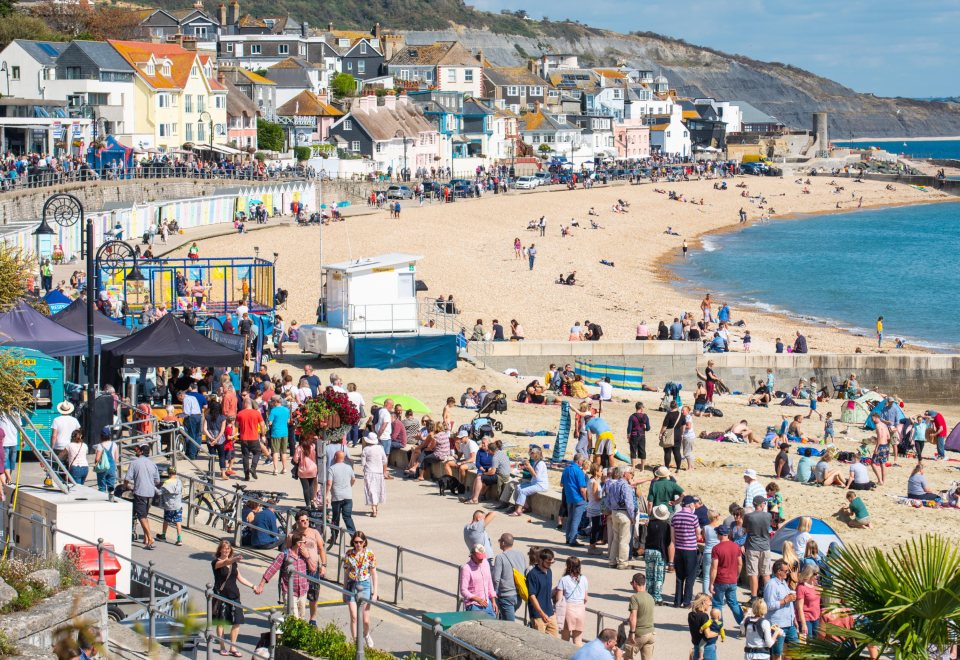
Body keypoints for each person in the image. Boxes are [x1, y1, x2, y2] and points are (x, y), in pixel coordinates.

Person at [255, 532, 313, 619]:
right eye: (304, 542)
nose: (305, 545)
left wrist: (308, 557)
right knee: (294, 619)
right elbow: (272, 569)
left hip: (303, 592)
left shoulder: (304, 555)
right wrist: (261, 584)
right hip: (290, 592)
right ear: (298, 544)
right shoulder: (284, 555)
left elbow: (313, 569)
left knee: (302, 619)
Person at [212, 539, 254, 657]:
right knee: (221, 622)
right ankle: (222, 646)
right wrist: (234, 559)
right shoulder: (216, 562)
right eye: (224, 548)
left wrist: (253, 586)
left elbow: (240, 578)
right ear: (220, 549)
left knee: (237, 621)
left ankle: (233, 647)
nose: (226, 550)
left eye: (228, 548)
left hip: (234, 595)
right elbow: (224, 563)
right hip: (221, 595)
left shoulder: (234, 563)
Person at [342, 531, 378, 647]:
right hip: (352, 584)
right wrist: (344, 590)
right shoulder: (349, 554)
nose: (358, 544)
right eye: (356, 542)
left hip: (365, 585)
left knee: (365, 619)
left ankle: (366, 634)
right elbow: (346, 573)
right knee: (354, 616)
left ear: (364, 542)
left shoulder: (369, 554)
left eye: (360, 542)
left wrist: (375, 593)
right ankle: (356, 643)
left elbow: (374, 574)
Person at [125, 444, 160, 549]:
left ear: (140, 452)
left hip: (140, 492)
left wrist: (125, 486)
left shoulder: (134, 462)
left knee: (141, 516)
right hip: (150, 493)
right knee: (144, 516)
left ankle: (150, 538)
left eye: (138, 450)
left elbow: (127, 478)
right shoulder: (153, 464)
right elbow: (157, 481)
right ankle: (146, 538)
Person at [764, 559, 799, 660]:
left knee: (795, 649)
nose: (788, 573)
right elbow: (768, 605)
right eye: (786, 571)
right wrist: (784, 600)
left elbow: (790, 604)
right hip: (778, 625)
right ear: (779, 571)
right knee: (777, 653)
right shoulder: (771, 585)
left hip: (789, 623)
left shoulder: (784, 583)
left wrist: (794, 618)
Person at [709, 525, 744, 625]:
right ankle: (743, 625)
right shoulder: (736, 546)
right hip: (732, 579)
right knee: (734, 603)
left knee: (717, 603)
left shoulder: (716, 548)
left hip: (720, 580)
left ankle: (717, 626)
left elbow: (714, 568)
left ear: (720, 535)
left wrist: (711, 583)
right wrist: (736, 575)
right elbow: (740, 563)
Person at [672, 495, 702, 608]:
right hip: (690, 550)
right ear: (690, 505)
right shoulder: (693, 517)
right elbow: (698, 534)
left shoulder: (675, 516)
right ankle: (687, 601)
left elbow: (672, 537)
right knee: (690, 576)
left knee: (679, 577)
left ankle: (677, 601)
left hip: (679, 549)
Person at [603, 466, 636, 570]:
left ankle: (612, 561)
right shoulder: (625, 486)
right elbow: (629, 503)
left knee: (615, 539)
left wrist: (612, 509)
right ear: (625, 474)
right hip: (624, 513)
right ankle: (622, 563)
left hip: (614, 513)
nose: (632, 475)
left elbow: (607, 500)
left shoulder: (613, 484)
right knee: (624, 540)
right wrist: (632, 516)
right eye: (630, 473)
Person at [502, 446, 549, 516]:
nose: (530, 454)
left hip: (540, 485)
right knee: (518, 487)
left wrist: (529, 467)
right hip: (534, 483)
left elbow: (536, 476)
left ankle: (518, 510)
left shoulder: (541, 463)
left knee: (523, 491)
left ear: (536, 454)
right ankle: (526, 507)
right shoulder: (536, 462)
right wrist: (527, 467)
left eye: (532, 453)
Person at [744, 496, 772, 602]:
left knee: (753, 573)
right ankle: (768, 596)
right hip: (765, 547)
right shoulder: (768, 515)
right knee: (766, 573)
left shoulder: (748, 516)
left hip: (752, 546)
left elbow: (745, 531)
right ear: (761, 504)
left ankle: (754, 597)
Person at [525, 548, 558, 636]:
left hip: (550, 613)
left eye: (551, 562)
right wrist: (542, 614)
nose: (550, 565)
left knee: (555, 642)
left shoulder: (549, 571)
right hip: (538, 615)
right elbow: (532, 596)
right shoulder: (532, 574)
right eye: (548, 562)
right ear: (540, 560)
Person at [643, 504, 672, 604]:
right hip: (659, 551)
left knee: (649, 574)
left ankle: (649, 594)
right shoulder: (666, 526)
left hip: (648, 550)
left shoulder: (649, 523)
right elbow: (668, 541)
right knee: (659, 575)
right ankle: (657, 596)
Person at [327, 450, 356, 546]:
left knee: (335, 518)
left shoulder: (332, 468)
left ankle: (334, 537)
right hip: (348, 496)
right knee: (347, 517)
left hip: (337, 497)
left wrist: (326, 494)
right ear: (343, 458)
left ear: (335, 457)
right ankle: (354, 539)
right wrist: (349, 486)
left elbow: (329, 483)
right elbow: (353, 479)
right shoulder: (349, 467)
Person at [460, 544, 498, 616]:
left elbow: (489, 582)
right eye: (479, 557)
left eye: (482, 557)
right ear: (473, 555)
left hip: (487, 603)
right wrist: (476, 599)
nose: (481, 559)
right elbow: (463, 590)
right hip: (473, 606)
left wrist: (493, 601)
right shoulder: (466, 568)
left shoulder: (486, 563)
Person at [624, 573, 655, 660]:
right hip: (651, 634)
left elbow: (633, 617)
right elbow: (644, 613)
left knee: (624, 656)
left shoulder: (635, 597)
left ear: (634, 583)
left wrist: (632, 633)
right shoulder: (650, 597)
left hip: (640, 633)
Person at [561, 454, 589, 547]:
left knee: (570, 519)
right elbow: (582, 489)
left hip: (569, 497)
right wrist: (585, 499)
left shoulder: (566, 469)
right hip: (578, 498)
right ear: (579, 461)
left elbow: (562, 484)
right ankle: (572, 540)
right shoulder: (579, 471)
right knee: (576, 520)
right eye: (582, 461)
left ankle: (568, 538)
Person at [236, 398, 265, 481]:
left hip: (244, 438)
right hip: (254, 437)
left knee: (245, 456)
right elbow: (262, 425)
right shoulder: (257, 413)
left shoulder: (240, 413)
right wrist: (263, 435)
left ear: (245, 404)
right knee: (257, 452)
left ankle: (246, 475)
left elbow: (236, 425)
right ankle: (253, 467)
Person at [361, 432, 387, 517]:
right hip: (379, 472)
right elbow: (384, 460)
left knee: (371, 491)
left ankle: (374, 509)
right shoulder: (380, 448)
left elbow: (363, 463)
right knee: (377, 490)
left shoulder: (365, 449)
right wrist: (384, 471)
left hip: (369, 472)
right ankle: (375, 507)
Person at [157, 467, 183, 546]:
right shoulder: (179, 482)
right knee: (178, 522)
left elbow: (159, 492)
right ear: (175, 473)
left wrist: (154, 487)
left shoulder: (166, 483)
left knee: (166, 520)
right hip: (178, 506)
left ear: (168, 473)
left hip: (169, 506)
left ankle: (163, 536)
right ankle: (179, 539)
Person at [795, 565, 821, 640]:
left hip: (816, 618)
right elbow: (799, 607)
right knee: (808, 641)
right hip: (806, 619)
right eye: (815, 574)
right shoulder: (801, 587)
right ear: (809, 574)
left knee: (816, 641)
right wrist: (803, 624)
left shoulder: (815, 585)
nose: (817, 576)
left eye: (817, 573)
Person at [292, 435, 318, 508]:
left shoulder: (299, 448)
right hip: (313, 468)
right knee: (311, 486)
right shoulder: (313, 446)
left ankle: (308, 504)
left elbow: (295, 460)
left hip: (303, 470)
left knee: (305, 488)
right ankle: (312, 500)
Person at [267, 396, 290, 476]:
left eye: (272, 402)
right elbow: (288, 421)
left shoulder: (273, 410)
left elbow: (270, 422)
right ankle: (284, 468)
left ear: (275, 402)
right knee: (284, 452)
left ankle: (276, 469)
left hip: (276, 432)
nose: (272, 403)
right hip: (285, 432)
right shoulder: (287, 410)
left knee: (275, 452)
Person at [93, 426, 119, 493]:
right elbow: (116, 458)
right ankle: (111, 499)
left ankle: (103, 502)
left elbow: (97, 459)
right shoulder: (114, 444)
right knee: (111, 487)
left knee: (102, 487)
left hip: (102, 468)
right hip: (112, 468)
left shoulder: (100, 445)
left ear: (101, 436)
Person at [627, 403, 651, 471]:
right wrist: (645, 429)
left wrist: (628, 436)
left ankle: (633, 467)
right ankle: (642, 468)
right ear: (641, 408)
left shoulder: (632, 416)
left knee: (633, 451)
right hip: (642, 435)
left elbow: (629, 428)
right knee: (642, 451)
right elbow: (648, 428)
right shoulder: (645, 416)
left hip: (634, 435)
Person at [659, 402, 683, 471]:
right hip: (678, 434)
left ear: (670, 406)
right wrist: (682, 433)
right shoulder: (681, 415)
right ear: (677, 406)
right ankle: (678, 468)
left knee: (667, 452)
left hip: (669, 434)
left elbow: (664, 426)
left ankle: (667, 467)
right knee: (677, 452)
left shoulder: (669, 415)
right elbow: (683, 426)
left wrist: (661, 433)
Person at [869, 413, 890, 486]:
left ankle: (880, 480)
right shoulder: (884, 425)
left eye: (872, 419)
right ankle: (883, 481)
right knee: (883, 464)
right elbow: (888, 437)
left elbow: (880, 437)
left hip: (880, 445)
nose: (872, 421)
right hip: (886, 445)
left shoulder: (878, 426)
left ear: (875, 417)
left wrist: (876, 447)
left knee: (873, 463)